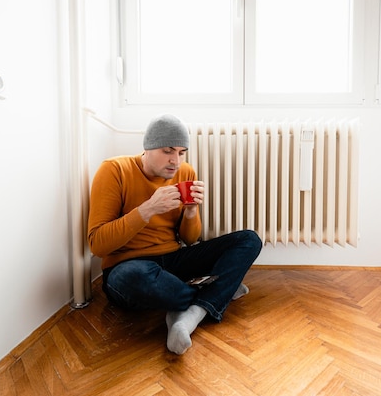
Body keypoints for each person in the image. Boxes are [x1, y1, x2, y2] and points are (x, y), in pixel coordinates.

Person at [87, 114, 262, 355]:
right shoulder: (115, 170)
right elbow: (97, 245)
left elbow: (190, 240)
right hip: (128, 266)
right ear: (147, 148)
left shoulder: (185, 172)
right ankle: (218, 292)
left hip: (174, 259)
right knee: (134, 276)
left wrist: (191, 213)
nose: (175, 161)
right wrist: (147, 209)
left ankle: (189, 314)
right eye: (168, 150)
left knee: (249, 240)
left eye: (181, 152)